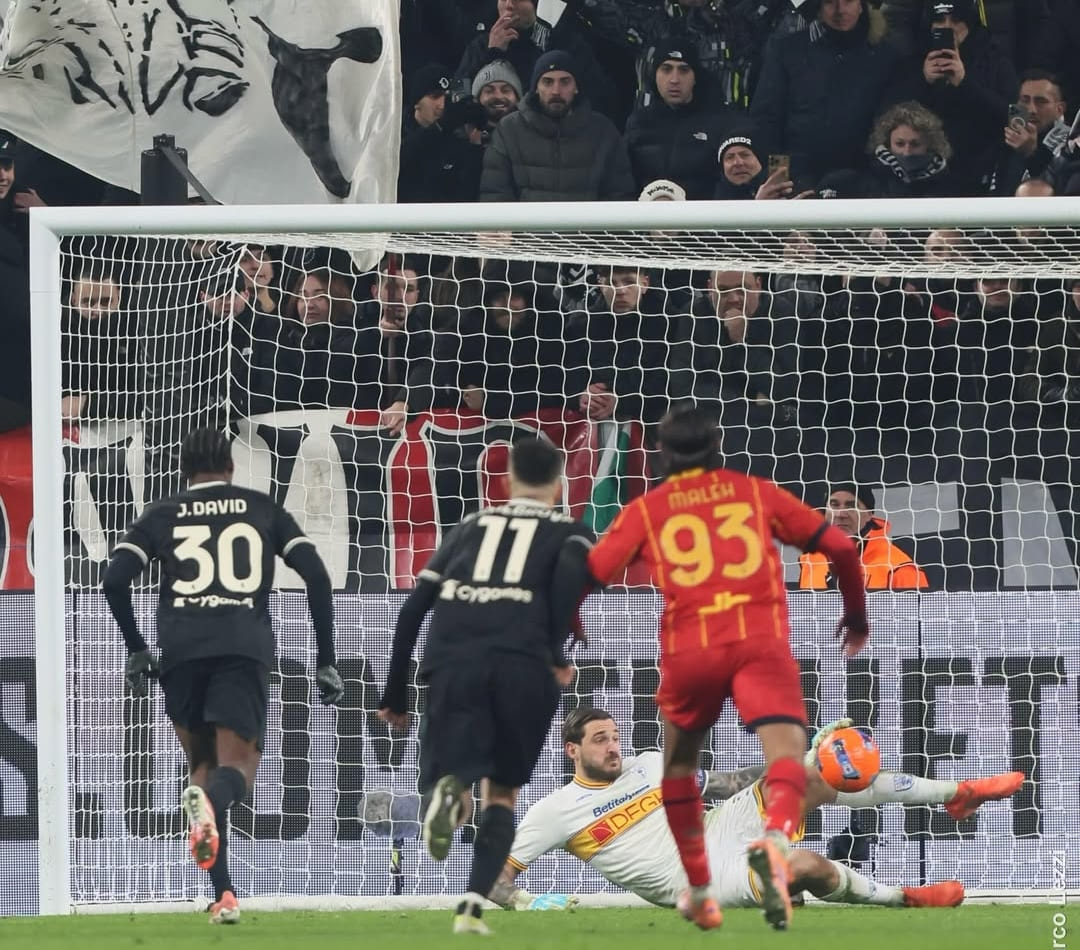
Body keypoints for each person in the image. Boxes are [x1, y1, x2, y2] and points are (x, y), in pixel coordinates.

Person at [585, 405, 870, 931]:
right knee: (786, 755)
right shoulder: (754, 492)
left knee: (676, 768)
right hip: (758, 641)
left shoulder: (650, 508)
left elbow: (593, 570)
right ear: (719, 447)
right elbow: (840, 548)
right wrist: (854, 616)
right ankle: (777, 837)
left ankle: (698, 890)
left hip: (690, 648)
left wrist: (572, 620)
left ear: (663, 453)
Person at [101, 428, 344, 924]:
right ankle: (211, 823)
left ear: (183, 471)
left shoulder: (162, 514)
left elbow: (113, 579)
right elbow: (316, 576)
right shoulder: (260, 508)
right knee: (238, 770)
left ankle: (225, 895)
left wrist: (136, 649)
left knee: (204, 768)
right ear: (231, 467)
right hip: (240, 647)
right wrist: (325, 657)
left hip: (182, 653)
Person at [490, 707, 1022, 912]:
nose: (612, 747)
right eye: (600, 741)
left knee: (811, 773)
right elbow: (495, 880)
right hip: (702, 879)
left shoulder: (650, 764)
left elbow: (725, 786)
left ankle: (957, 792)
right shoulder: (556, 811)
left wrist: (802, 756)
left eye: (613, 737)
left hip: (722, 823)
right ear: (572, 751)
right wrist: (528, 904)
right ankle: (907, 900)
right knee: (804, 866)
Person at [377, 437, 595, 936]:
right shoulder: (571, 533)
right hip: (521, 666)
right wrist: (557, 654)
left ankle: (445, 798)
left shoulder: (468, 527)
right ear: (559, 486)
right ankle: (471, 908)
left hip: (452, 661)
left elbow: (412, 610)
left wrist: (394, 693)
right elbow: (565, 586)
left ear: (506, 481)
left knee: (454, 780)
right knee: (502, 796)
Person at [480, 50, 636, 201]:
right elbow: (495, 194)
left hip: (587, 227)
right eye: (547, 82)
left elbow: (619, 195)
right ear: (535, 88)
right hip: (526, 227)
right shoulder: (508, 130)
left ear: (576, 88)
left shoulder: (604, 132)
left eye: (565, 82)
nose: (556, 91)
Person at [799, 483, 930, 589]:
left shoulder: (899, 568)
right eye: (834, 505)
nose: (840, 514)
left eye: (851, 506)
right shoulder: (811, 560)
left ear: (869, 514)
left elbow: (915, 621)